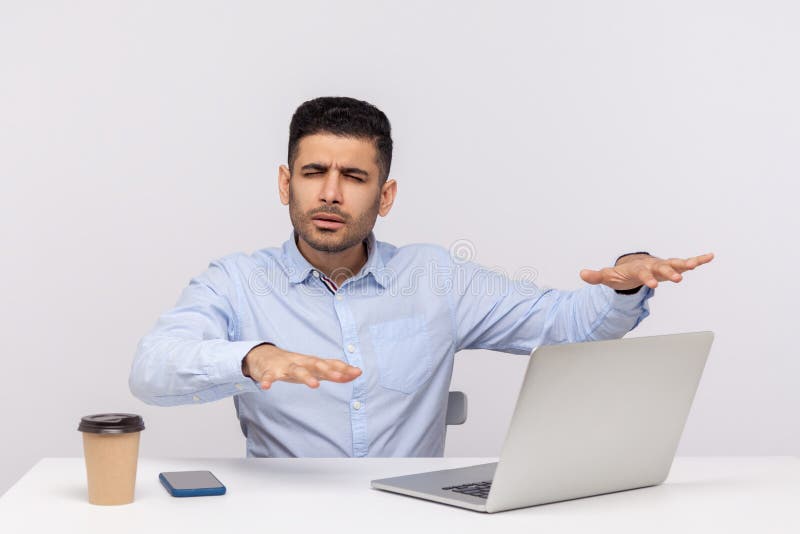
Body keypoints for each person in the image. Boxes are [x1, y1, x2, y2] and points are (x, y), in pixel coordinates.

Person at [129, 96, 714, 458]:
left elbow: (565, 323)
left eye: (354, 177)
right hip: (287, 517)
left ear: (385, 197)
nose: (331, 193)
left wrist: (628, 280)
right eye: (314, 172)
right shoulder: (235, 282)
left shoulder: (435, 277)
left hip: (411, 517)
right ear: (287, 184)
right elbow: (151, 370)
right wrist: (251, 356)